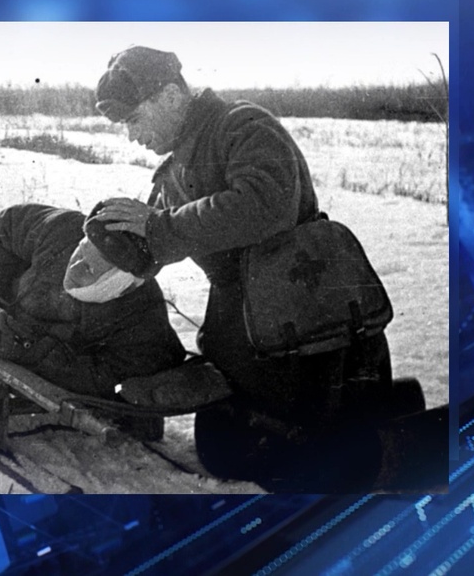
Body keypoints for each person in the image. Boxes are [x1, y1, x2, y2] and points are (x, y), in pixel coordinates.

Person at [88, 45, 407, 492]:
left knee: (323, 463)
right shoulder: (177, 165)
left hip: (310, 325)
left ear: (171, 97)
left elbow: (265, 204)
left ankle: (396, 442)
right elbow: (159, 236)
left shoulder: (242, 126)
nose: (131, 135)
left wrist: (160, 227)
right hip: (252, 329)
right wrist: (117, 245)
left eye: (134, 119)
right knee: (228, 448)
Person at [0, 202, 217, 406]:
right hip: (6, 282)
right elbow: (1, 230)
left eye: (92, 268)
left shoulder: (141, 318)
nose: (76, 266)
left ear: (126, 285)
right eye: (82, 252)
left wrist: (36, 354)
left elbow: (105, 376)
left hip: (40, 332)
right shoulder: (63, 229)